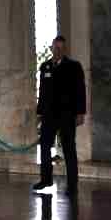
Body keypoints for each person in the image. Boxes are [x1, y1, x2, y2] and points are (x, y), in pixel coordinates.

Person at [31, 35, 87, 197]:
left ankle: (72, 184)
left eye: (61, 48)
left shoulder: (74, 67)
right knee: (45, 147)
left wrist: (80, 112)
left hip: (67, 115)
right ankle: (45, 179)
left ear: (65, 50)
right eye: (56, 48)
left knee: (69, 149)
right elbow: (42, 91)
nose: (58, 51)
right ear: (51, 48)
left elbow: (80, 91)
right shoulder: (45, 66)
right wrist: (40, 113)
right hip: (49, 115)